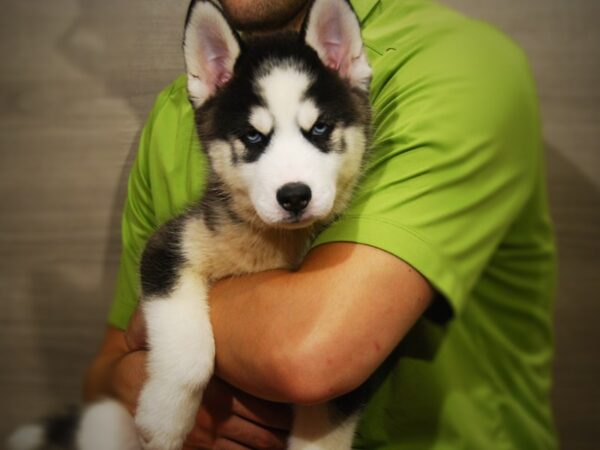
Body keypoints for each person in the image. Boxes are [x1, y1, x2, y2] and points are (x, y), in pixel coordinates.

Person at [84, 0, 558, 448]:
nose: (292, 179)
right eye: (254, 137)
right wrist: (132, 384)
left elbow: (312, 357)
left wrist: (171, 331)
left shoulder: (458, 65)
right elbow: (105, 375)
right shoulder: (172, 114)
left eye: (318, 131)